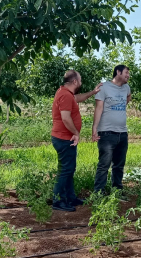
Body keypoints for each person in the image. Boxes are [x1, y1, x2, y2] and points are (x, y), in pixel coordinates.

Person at [51, 70, 102, 212]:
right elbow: (65, 118)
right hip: (64, 138)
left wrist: (93, 92)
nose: (81, 82)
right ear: (75, 82)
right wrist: (76, 133)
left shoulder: (66, 93)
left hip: (64, 137)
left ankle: (70, 197)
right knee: (65, 170)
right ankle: (59, 201)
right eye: (80, 80)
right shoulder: (65, 95)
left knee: (69, 169)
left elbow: (77, 98)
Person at [92, 65, 131, 194]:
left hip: (122, 132)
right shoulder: (104, 87)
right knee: (104, 164)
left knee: (119, 164)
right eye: (126, 73)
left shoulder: (126, 87)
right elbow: (98, 108)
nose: (128, 75)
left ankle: (117, 190)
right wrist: (95, 128)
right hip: (107, 132)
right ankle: (99, 192)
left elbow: (128, 98)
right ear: (118, 72)